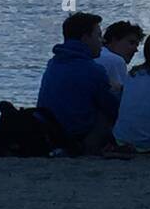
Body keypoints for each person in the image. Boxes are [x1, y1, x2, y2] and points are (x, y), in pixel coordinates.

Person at [37, 12, 120, 155]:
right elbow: (113, 108)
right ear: (85, 37)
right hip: (76, 136)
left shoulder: (53, 63)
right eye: (98, 35)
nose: (102, 41)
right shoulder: (93, 70)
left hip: (48, 132)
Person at [98, 20, 144, 95]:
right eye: (131, 43)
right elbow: (122, 98)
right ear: (114, 40)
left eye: (137, 45)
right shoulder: (115, 60)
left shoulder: (96, 55)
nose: (136, 49)